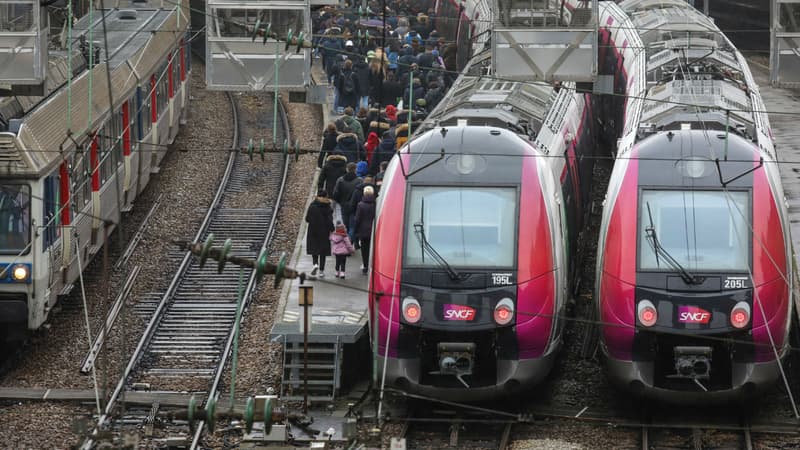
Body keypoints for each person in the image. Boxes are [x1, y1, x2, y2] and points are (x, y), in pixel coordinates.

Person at [306, 190, 334, 277]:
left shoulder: (312, 206)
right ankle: (321, 271)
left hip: (313, 231)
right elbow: (329, 220)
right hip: (324, 232)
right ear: (326, 197)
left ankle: (315, 264)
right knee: (323, 252)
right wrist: (332, 229)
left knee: (314, 249)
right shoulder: (327, 207)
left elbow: (307, 219)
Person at [333, 162, 362, 237]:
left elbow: (335, 194)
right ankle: (350, 243)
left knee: (346, 226)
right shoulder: (359, 180)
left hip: (344, 205)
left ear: (347, 169)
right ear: (355, 169)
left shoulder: (340, 180)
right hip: (355, 207)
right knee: (352, 226)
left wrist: (340, 202)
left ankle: (347, 242)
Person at [353, 186, 376, 274]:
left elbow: (357, 219)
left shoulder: (360, 205)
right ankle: (372, 265)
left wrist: (356, 230)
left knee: (364, 249)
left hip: (363, 231)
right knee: (372, 249)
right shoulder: (376, 204)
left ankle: (365, 266)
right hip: (373, 230)